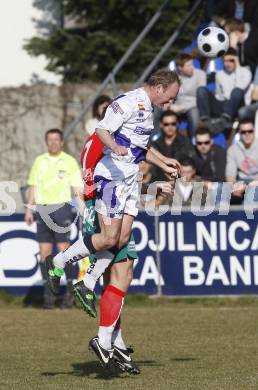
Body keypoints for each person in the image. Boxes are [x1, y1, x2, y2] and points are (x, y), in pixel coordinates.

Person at [45, 69, 181, 369]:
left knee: (120, 245)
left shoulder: (149, 111)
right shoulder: (129, 101)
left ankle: (107, 330)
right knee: (111, 243)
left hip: (131, 181)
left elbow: (140, 148)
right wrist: (114, 148)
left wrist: (163, 162)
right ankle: (65, 266)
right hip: (113, 179)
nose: (170, 103)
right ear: (158, 87)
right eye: (170, 97)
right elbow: (102, 131)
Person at [25, 128, 83, 309]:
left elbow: (77, 188)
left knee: (64, 252)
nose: (53, 143)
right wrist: (29, 209)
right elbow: (33, 185)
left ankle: (69, 294)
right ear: (46, 142)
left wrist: (82, 209)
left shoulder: (69, 162)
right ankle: (49, 296)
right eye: (50, 140)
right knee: (45, 255)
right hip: (42, 210)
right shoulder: (39, 161)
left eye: (56, 140)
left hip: (63, 210)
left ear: (62, 142)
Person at [197, 48, 252, 133]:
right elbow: (219, 94)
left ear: (236, 60)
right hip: (224, 104)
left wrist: (237, 66)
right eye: (225, 61)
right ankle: (206, 121)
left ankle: (225, 119)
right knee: (201, 90)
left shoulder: (246, 71)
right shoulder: (219, 74)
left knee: (237, 91)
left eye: (231, 60)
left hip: (238, 105)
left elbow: (240, 88)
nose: (227, 63)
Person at [169, 52, 206, 136]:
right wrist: (170, 105)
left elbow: (202, 98)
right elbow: (167, 95)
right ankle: (154, 138)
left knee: (194, 113)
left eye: (192, 64)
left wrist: (183, 107)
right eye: (189, 66)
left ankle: (194, 140)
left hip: (193, 105)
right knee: (158, 110)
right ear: (180, 68)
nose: (192, 67)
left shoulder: (200, 74)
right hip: (176, 106)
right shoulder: (172, 77)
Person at [151, 110, 195, 181]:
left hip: (181, 180)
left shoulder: (186, 142)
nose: (170, 127)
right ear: (161, 125)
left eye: (173, 123)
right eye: (166, 124)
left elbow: (190, 164)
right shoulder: (155, 144)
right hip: (159, 181)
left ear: (177, 124)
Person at [226, 119, 258, 203]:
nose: (247, 134)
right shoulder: (232, 150)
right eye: (243, 132)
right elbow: (230, 176)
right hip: (241, 181)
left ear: (254, 132)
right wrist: (234, 187)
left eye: (250, 131)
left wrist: (247, 186)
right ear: (239, 134)